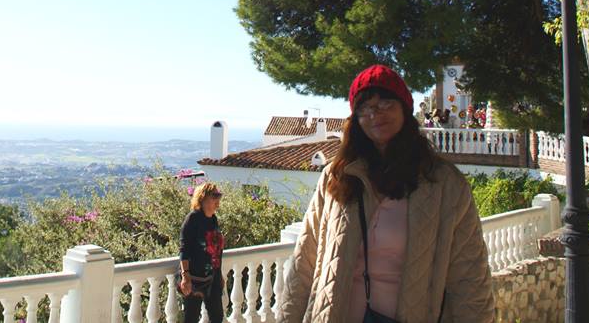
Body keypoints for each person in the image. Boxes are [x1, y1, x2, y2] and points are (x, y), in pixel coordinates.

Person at [279, 64, 494, 323]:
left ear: (404, 108)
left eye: (385, 104)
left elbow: (469, 277)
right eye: (365, 107)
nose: (374, 114)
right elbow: (305, 262)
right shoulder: (336, 177)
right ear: (355, 119)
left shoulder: (445, 185)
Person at [179, 182, 226, 323]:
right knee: (191, 318)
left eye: (219, 196)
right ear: (203, 198)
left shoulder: (213, 219)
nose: (218, 201)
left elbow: (216, 250)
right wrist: (185, 276)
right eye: (214, 196)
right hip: (194, 279)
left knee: (217, 317)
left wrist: (219, 274)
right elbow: (184, 248)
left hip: (212, 278)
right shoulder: (192, 219)